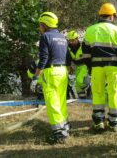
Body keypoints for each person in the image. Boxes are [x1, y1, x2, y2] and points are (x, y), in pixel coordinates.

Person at [82, 3, 117, 132]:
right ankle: (113, 122)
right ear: (112, 16)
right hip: (112, 67)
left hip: (96, 67)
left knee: (97, 93)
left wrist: (89, 67)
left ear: (100, 15)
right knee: (113, 93)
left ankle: (98, 122)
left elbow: (85, 53)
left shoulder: (91, 30)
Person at [29, 11, 71, 144]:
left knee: (53, 103)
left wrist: (36, 77)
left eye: (40, 25)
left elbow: (44, 58)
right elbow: (68, 56)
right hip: (63, 71)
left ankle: (59, 134)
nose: (40, 27)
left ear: (45, 24)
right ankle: (65, 127)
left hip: (51, 72)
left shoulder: (45, 37)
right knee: (61, 101)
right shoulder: (62, 37)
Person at [66, 30, 90, 98]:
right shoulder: (68, 48)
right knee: (77, 86)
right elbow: (68, 58)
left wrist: (90, 67)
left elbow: (89, 56)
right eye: (70, 40)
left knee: (80, 80)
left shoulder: (83, 45)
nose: (71, 42)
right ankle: (83, 99)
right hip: (76, 67)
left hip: (84, 66)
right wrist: (69, 67)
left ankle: (88, 87)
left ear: (77, 39)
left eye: (73, 40)